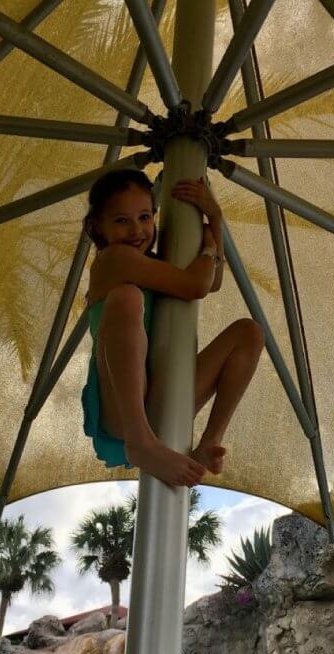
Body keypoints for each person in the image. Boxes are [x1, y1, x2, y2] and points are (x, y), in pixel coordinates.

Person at [81, 169, 264, 487]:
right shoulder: (113, 260)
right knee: (126, 297)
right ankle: (142, 442)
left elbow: (214, 280)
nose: (137, 229)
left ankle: (209, 441)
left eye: (145, 216)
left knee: (249, 333)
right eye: (122, 221)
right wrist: (209, 240)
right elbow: (197, 284)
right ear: (98, 226)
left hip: (163, 398)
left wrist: (215, 220)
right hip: (123, 411)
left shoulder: (155, 266)